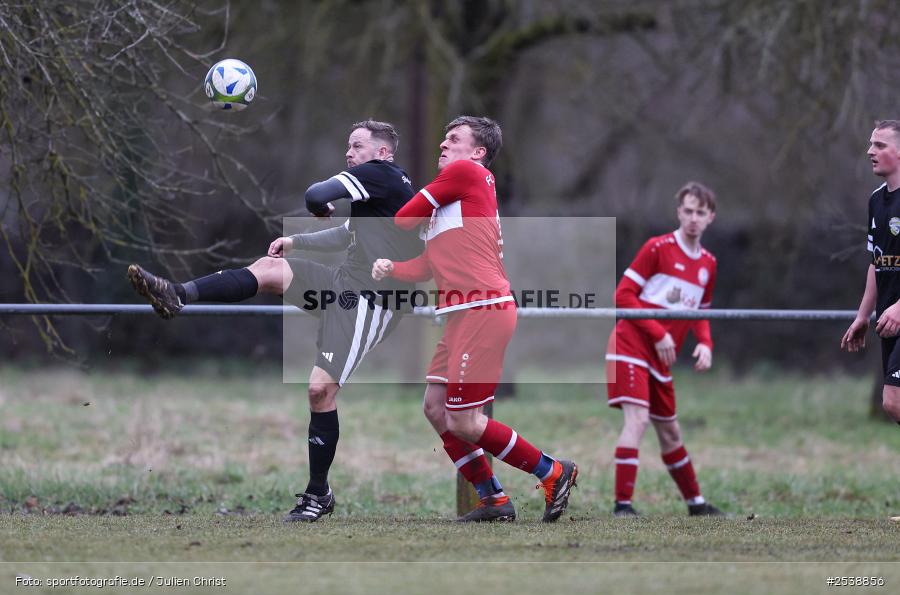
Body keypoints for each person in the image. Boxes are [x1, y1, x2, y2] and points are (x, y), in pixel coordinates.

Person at [126, 120, 423, 522]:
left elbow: (315, 194)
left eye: (357, 146)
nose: (349, 154)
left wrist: (318, 207)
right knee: (269, 268)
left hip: (372, 300)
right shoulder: (380, 192)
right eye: (347, 146)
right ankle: (179, 295)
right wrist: (296, 242)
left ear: (383, 153)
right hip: (342, 284)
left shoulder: (382, 175)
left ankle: (318, 495)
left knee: (320, 391)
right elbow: (346, 235)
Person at [372, 116, 578, 523]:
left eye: (454, 139)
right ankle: (495, 501)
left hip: (482, 310)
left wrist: (381, 187)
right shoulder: (452, 201)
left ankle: (553, 471)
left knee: (465, 420)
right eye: (443, 139)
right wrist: (392, 267)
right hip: (461, 316)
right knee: (435, 408)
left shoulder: (467, 173)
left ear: (478, 152)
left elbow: (402, 218)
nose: (443, 146)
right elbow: (427, 265)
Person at [605, 181, 724, 517]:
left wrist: (705, 343)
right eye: (687, 211)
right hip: (630, 344)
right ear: (678, 212)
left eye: (700, 212)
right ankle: (622, 505)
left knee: (671, 431)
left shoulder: (709, 264)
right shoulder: (657, 248)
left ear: (710, 217)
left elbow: (700, 312)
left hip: (661, 358)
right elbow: (622, 295)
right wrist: (658, 332)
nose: (693, 218)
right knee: (638, 420)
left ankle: (696, 504)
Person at [842, 120, 900, 429]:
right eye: (870, 144)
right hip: (889, 321)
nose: (870, 151)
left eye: (880, 145)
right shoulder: (876, 200)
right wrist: (864, 315)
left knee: (893, 400)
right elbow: (876, 262)